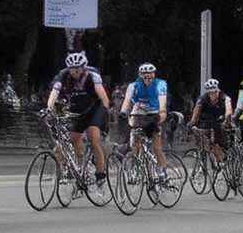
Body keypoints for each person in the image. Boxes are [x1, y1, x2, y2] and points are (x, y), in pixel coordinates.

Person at [44, 50, 110, 183]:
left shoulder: (92, 76)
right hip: (78, 110)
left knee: (93, 138)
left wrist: (105, 112)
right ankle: (79, 166)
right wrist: (49, 108)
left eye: (78, 69)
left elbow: (103, 97)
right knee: (73, 138)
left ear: (83, 68)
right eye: (73, 69)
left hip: (96, 108)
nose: (75, 72)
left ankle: (100, 172)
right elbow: (55, 91)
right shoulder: (63, 75)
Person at [119, 60, 168, 153]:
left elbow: (162, 101)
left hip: (154, 111)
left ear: (154, 75)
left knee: (156, 143)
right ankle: (136, 154)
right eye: (144, 74)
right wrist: (123, 111)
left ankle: (157, 161)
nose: (148, 76)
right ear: (140, 75)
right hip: (139, 111)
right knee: (134, 130)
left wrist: (161, 112)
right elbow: (127, 100)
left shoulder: (160, 85)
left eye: (150, 73)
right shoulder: (133, 86)